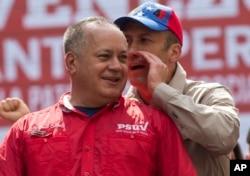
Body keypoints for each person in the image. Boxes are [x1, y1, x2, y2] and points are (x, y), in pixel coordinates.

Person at [0, 16, 197, 176]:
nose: (116, 66)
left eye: (122, 57)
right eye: (104, 56)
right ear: (71, 62)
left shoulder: (156, 124)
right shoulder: (25, 131)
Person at [114, 2, 239, 176]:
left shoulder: (208, 94)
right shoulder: (118, 110)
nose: (132, 51)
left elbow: (225, 137)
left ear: (174, 52)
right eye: (127, 41)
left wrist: (161, 91)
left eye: (144, 40)